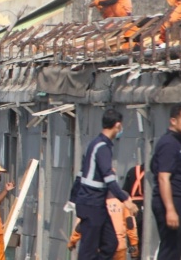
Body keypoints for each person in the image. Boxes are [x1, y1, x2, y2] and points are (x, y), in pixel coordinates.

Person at [74, 109, 138, 259]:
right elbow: (109, 178)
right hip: (91, 203)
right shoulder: (102, 147)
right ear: (117, 125)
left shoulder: (97, 144)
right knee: (88, 251)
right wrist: (126, 200)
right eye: (120, 127)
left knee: (110, 244)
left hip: (98, 204)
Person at [151, 103, 181, 259]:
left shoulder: (179, 142)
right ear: (173, 121)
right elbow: (163, 178)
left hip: (180, 200)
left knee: (180, 246)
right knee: (171, 249)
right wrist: (170, 209)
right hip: (172, 200)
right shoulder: (169, 143)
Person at [68, 192, 139, 260]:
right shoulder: (123, 197)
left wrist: (73, 241)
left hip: (100, 247)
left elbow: (81, 224)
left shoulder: (93, 198)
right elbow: (130, 223)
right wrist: (134, 244)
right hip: (119, 246)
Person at [122, 163, 144, 254]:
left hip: (132, 206)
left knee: (133, 237)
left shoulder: (132, 170)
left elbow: (125, 191)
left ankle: (134, 254)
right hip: (144, 207)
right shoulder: (152, 173)